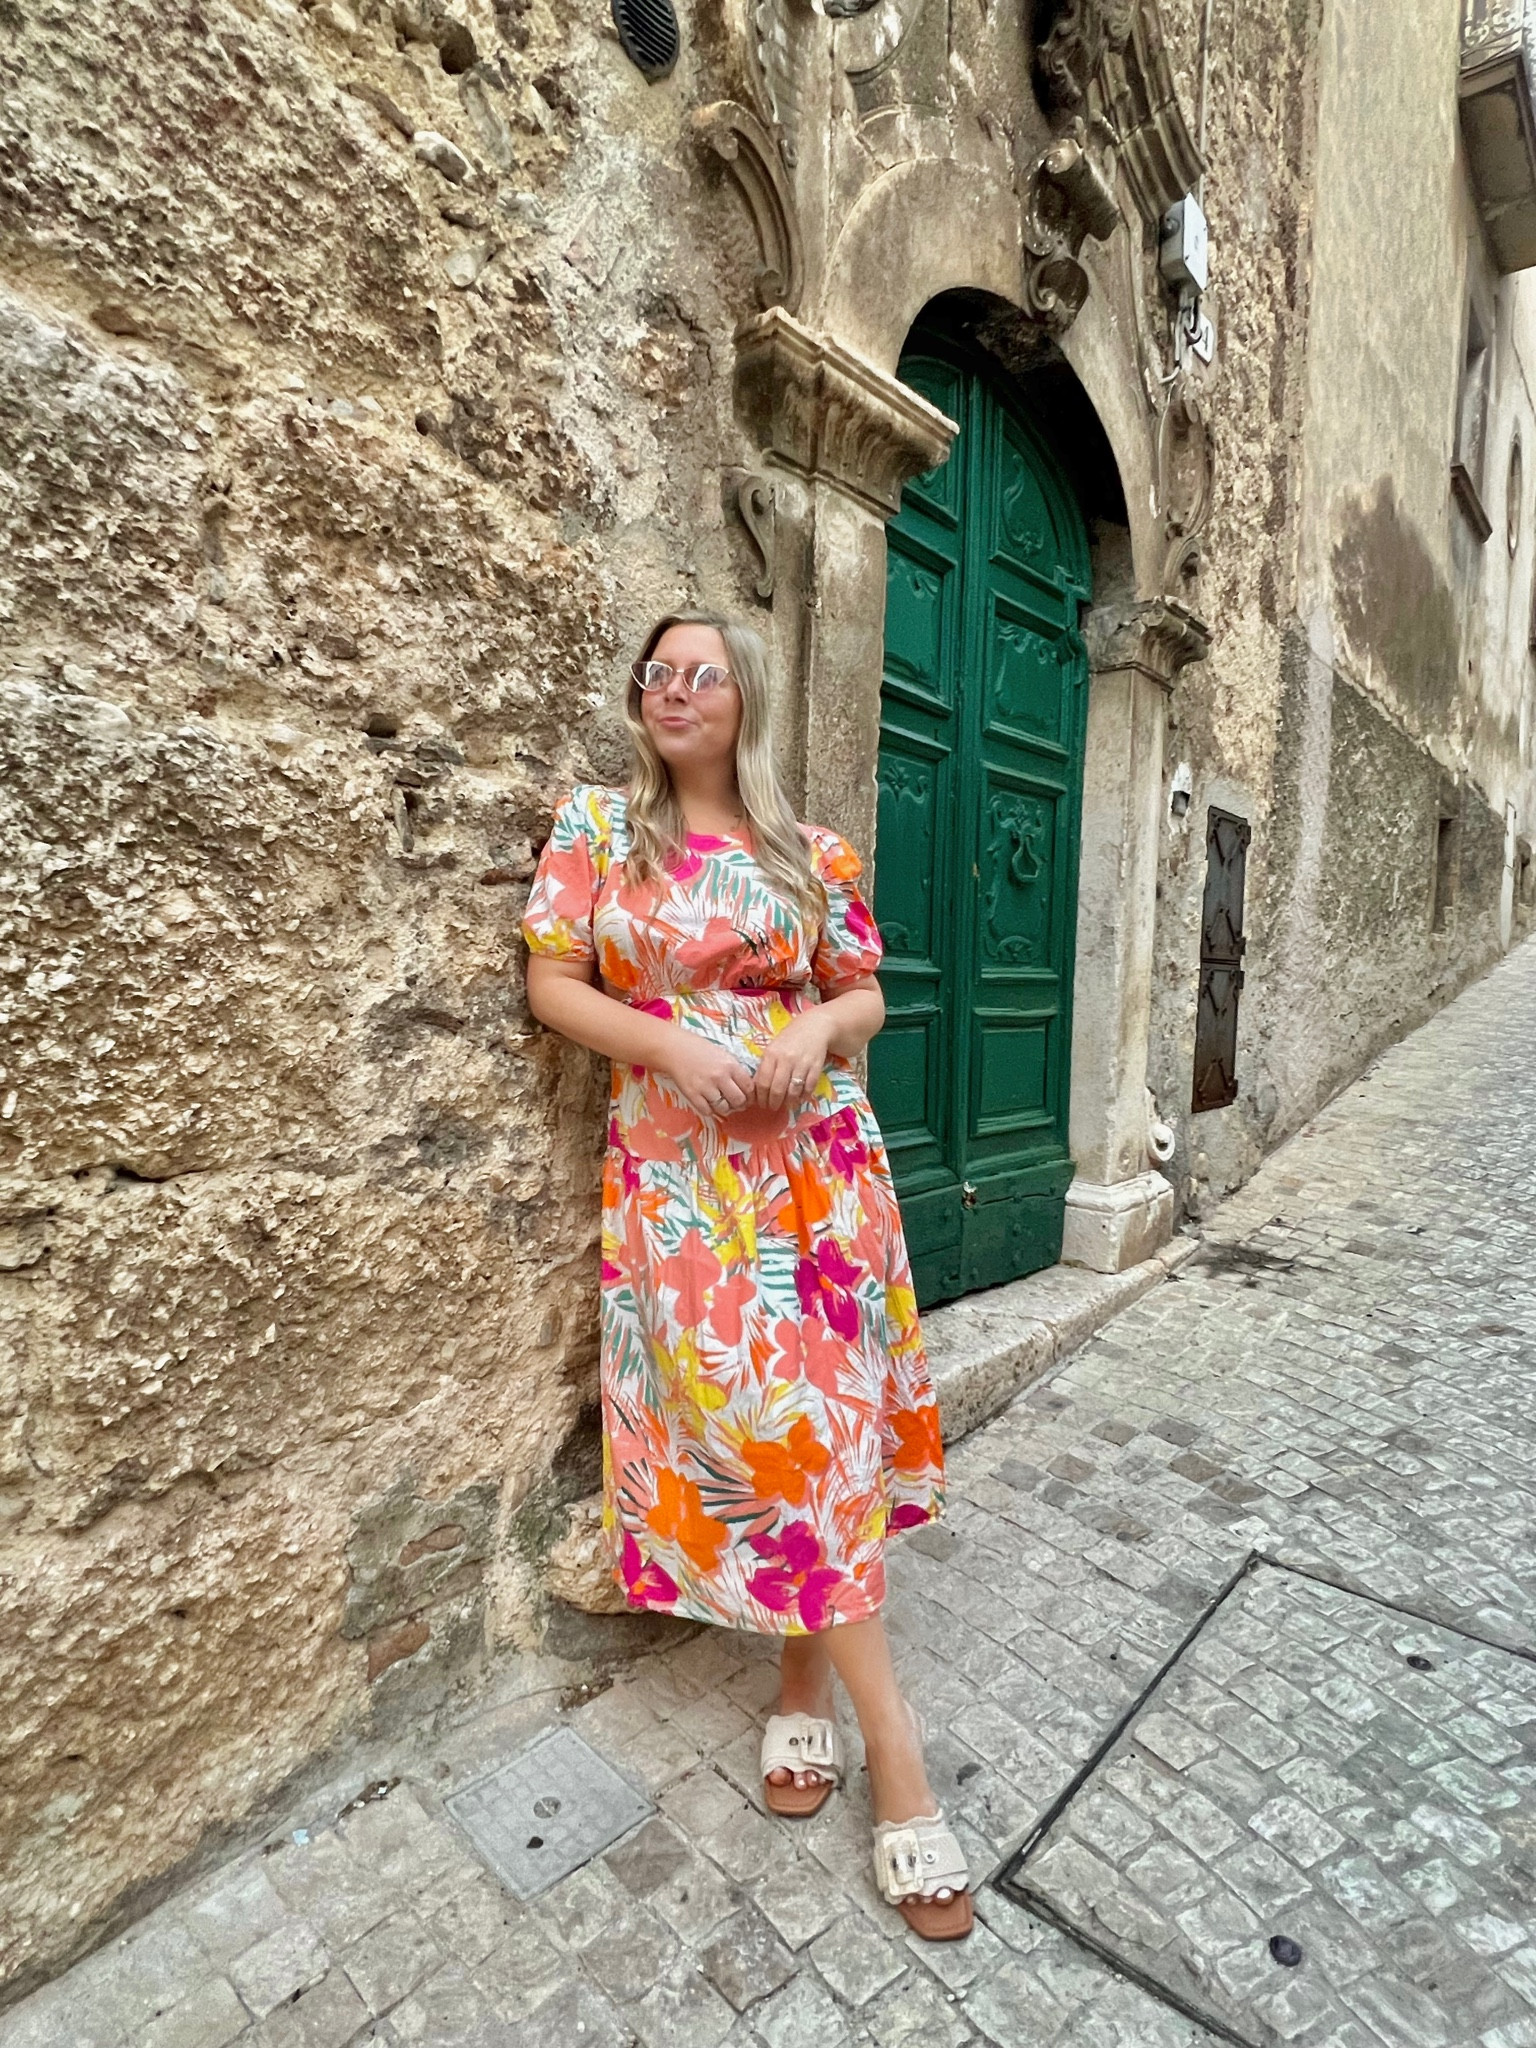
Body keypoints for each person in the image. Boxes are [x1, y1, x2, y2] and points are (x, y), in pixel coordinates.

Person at [521, 609, 972, 1940]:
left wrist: (820, 1025)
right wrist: (672, 1048)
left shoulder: (806, 850)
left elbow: (865, 995)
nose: (673, 691)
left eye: (700, 673)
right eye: (656, 673)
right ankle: (877, 1740)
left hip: (820, 1176)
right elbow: (554, 985)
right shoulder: (600, 831)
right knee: (772, 1442)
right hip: (682, 1189)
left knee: (822, 1442)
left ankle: (825, 1709)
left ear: (747, 697)